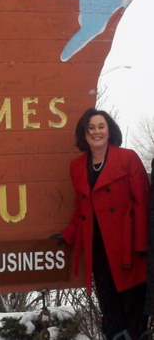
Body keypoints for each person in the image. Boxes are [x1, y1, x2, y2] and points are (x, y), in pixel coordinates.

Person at [55, 108, 150, 340]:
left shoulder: (128, 159)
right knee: (110, 309)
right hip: (97, 249)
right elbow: (81, 210)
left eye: (101, 126)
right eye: (91, 128)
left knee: (133, 309)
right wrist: (68, 235)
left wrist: (141, 246)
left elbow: (143, 204)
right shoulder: (77, 167)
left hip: (128, 248)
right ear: (84, 135)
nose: (96, 132)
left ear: (109, 131)